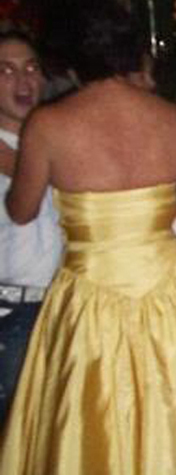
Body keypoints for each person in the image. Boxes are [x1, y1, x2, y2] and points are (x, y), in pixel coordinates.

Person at [0, 0, 176, 475]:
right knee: (171, 434)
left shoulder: (48, 125)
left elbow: (22, 211)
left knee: (97, 436)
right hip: (172, 294)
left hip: (92, 298)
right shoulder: (173, 119)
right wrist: (149, 217)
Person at [0, 32, 63, 428]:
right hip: (13, 312)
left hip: (63, 308)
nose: (23, 81)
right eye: (6, 71)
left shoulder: (58, 139)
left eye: (30, 68)